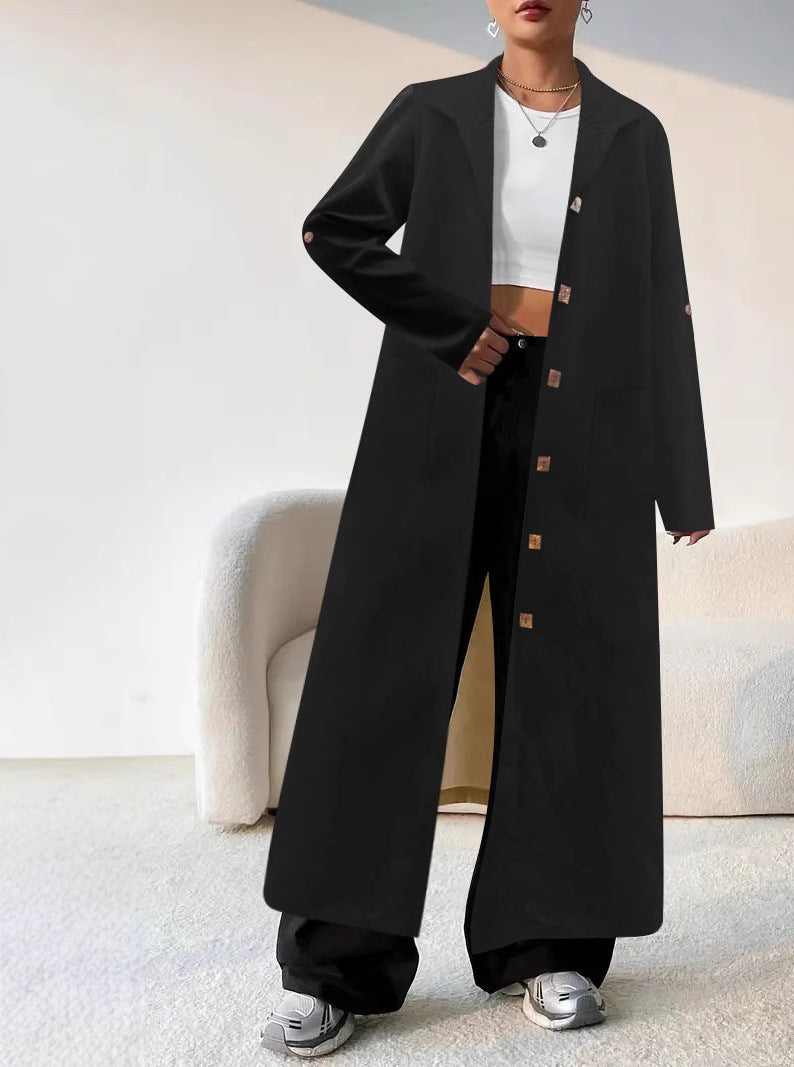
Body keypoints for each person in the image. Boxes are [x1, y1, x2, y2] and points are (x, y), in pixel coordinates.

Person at [260, 2, 712, 1058]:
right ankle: (333, 965)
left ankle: (549, 946)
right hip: (436, 414)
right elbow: (335, 229)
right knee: (377, 681)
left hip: (585, 430)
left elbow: (661, 299)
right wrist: (450, 326)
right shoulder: (430, 114)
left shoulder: (632, 134)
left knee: (570, 687)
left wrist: (680, 478)